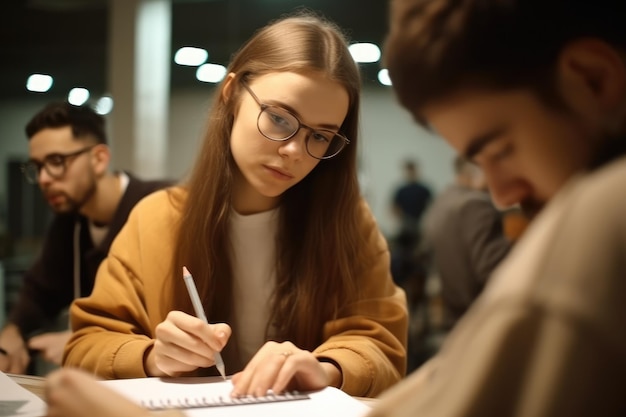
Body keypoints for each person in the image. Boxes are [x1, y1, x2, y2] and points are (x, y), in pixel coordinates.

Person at [62, 10, 407, 403]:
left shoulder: (349, 225)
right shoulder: (156, 219)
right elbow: (84, 347)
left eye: (321, 137)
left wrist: (325, 368)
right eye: (279, 118)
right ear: (231, 94)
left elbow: (382, 347)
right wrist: (152, 357)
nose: (294, 151)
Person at [368, 0, 626, 415]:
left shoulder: (604, 209)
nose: (502, 196)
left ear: (594, 80)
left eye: (501, 151)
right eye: (478, 165)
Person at [0, 102, 170, 375]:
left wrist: (85, 342)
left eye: (56, 162)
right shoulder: (70, 222)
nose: (44, 179)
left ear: (99, 159)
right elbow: (39, 292)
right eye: (37, 167)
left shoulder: (159, 207)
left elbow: (170, 314)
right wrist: (12, 332)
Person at [422, 155, 511, 330]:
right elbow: (497, 273)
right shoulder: (475, 205)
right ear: (475, 171)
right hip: (483, 320)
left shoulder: (441, 202)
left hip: (455, 320)